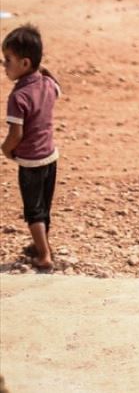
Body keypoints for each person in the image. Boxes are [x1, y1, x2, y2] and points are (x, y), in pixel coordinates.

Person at [2, 25, 61, 272]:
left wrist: (5, 149)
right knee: (44, 207)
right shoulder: (47, 84)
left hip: (31, 162)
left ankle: (44, 255)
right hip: (50, 156)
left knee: (33, 211)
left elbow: (17, 134)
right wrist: (43, 71)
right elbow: (56, 87)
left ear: (25, 64)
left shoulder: (18, 97)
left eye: (7, 61)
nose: (4, 66)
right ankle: (41, 245)